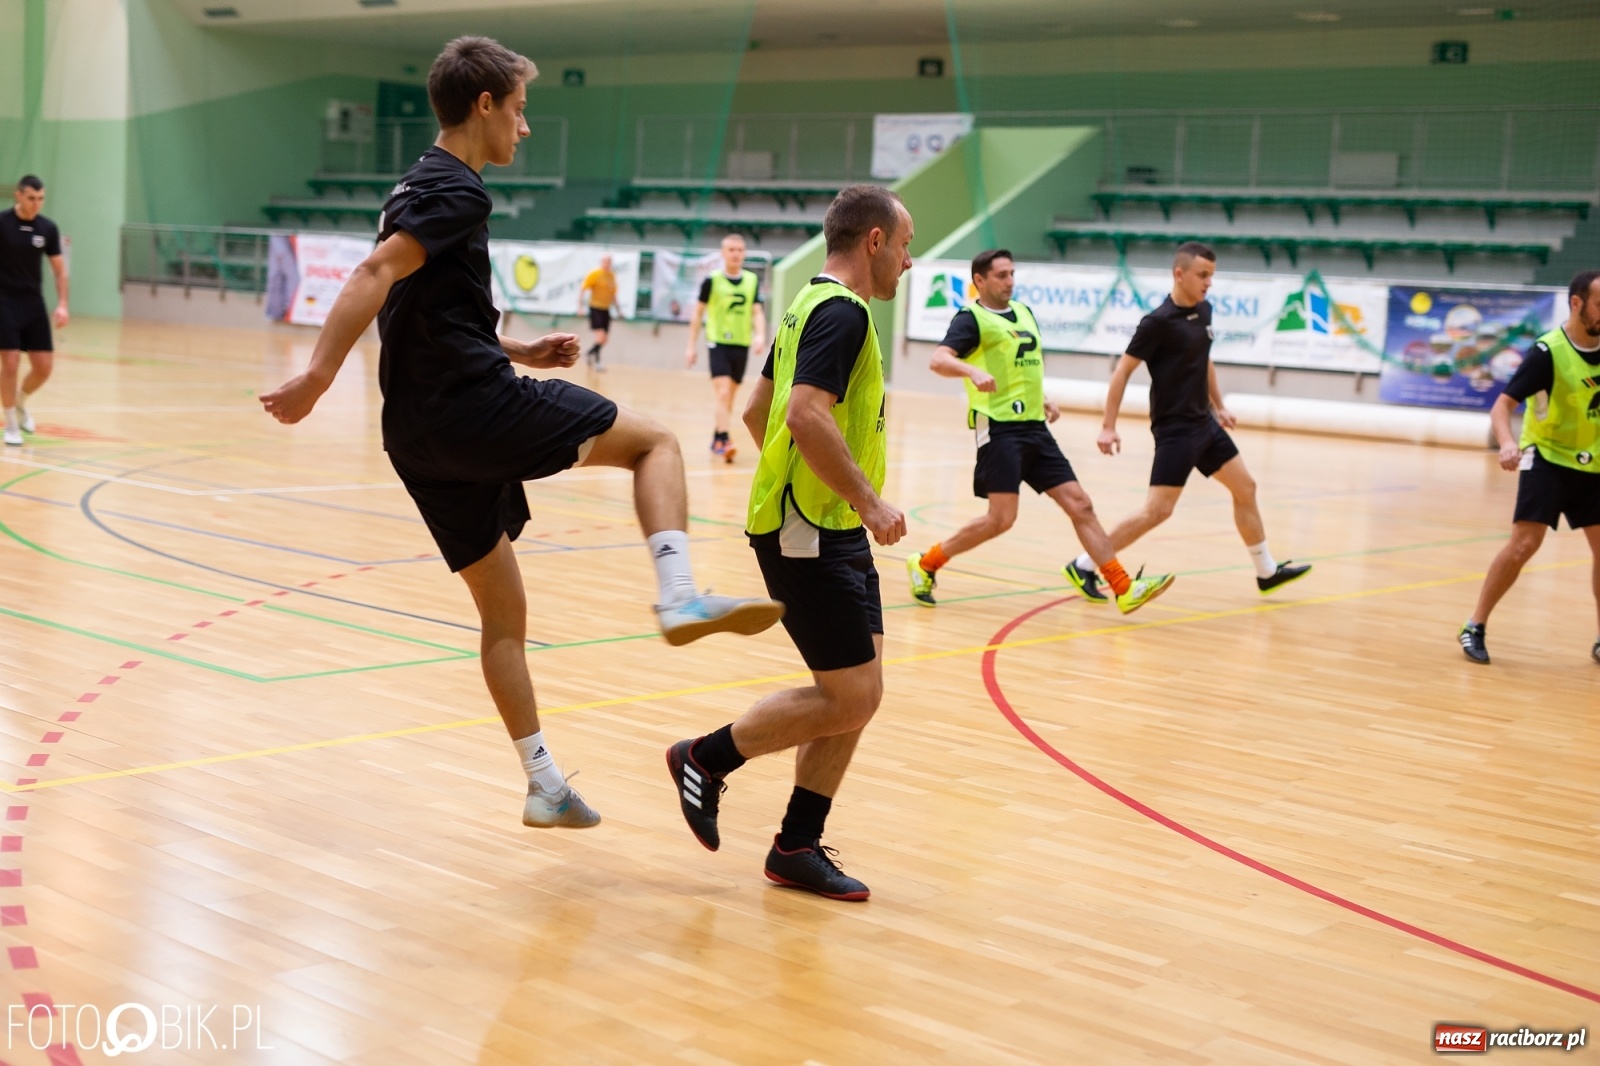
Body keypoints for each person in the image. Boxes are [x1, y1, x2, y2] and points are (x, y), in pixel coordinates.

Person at [261, 36, 784, 832]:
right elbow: (370, 278)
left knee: (503, 616)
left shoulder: (414, 185)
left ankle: (543, 782)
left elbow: (426, 311)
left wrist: (523, 348)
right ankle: (679, 594)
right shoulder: (460, 191)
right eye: (520, 109)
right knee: (659, 444)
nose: (525, 127)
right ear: (483, 106)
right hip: (471, 409)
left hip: (416, 434)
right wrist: (316, 377)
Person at [666, 185, 912, 901]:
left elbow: (755, 410)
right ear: (873, 242)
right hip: (814, 529)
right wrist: (864, 501)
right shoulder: (841, 314)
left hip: (814, 522)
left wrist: (791, 485)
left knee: (857, 694)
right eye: (903, 246)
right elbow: (803, 415)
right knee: (852, 694)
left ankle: (797, 845)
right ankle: (705, 759)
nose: (907, 260)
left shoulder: (807, 302)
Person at [906, 249, 1174, 614]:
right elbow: (939, 359)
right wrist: (972, 372)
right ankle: (926, 563)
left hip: (1035, 427)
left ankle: (1123, 587)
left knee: (1080, 504)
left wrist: (1042, 398)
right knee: (1000, 519)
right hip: (999, 429)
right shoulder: (971, 319)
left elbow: (1021, 365)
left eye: (1012, 273)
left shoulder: (1024, 313)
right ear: (980, 281)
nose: (1010, 281)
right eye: (1001, 275)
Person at [1066, 242, 1311, 601]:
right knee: (1157, 511)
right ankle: (1085, 564)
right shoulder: (1157, 323)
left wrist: (1220, 405)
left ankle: (1266, 571)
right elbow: (1122, 371)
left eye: (1211, 275)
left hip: (1205, 425)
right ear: (1179, 274)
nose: (1208, 283)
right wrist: (1108, 424)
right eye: (1202, 275)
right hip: (1176, 430)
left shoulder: (1204, 311)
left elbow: (1204, 359)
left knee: (1246, 488)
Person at [1459, 269, 1600, 666]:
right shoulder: (1547, 353)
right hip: (1549, 459)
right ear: (1577, 304)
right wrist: (1507, 443)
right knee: (1525, 544)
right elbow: (1501, 406)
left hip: (1594, 463)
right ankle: (1475, 625)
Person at [685, 234, 766, 463]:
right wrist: (691, 346)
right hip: (718, 342)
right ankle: (724, 439)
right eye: (731, 249)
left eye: (740, 250)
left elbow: (757, 310)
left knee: (729, 397)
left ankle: (716, 436)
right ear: (723, 253)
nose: (735, 254)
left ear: (744, 253)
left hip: (741, 344)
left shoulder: (751, 280)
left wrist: (760, 335)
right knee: (722, 392)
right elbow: (698, 313)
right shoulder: (712, 280)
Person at [1, 175, 69, 447]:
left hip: (33, 303)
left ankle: (19, 402)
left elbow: (59, 270)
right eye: (31, 198)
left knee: (44, 367)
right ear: (18, 196)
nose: (36, 204)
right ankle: (10, 424)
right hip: (4, 300)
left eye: (41, 199)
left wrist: (62, 303)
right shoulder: (2, 224)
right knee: (11, 361)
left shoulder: (47, 228)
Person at [578, 255, 615, 371]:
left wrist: (619, 310)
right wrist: (580, 307)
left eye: (609, 261)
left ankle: (589, 353)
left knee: (604, 339)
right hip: (596, 308)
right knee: (600, 336)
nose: (607, 263)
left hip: (606, 309)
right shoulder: (595, 274)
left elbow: (613, 294)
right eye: (605, 261)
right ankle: (597, 361)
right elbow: (583, 289)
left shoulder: (611, 276)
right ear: (601, 262)